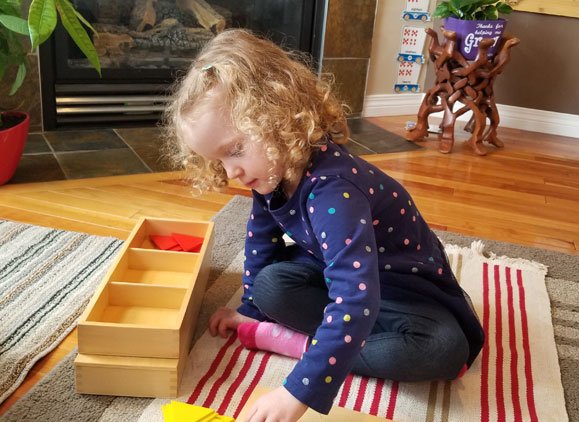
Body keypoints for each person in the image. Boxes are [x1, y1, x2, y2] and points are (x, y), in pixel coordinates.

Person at [164, 29, 485, 422]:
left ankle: (300, 346)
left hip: (405, 290)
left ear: (277, 115)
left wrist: (298, 390)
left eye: (235, 150)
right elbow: (260, 241)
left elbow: (355, 298)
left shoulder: (335, 189)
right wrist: (251, 310)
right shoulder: (270, 172)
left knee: (443, 350)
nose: (232, 172)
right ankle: (333, 341)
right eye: (220, 161)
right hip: (341, 275)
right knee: (268, 286)